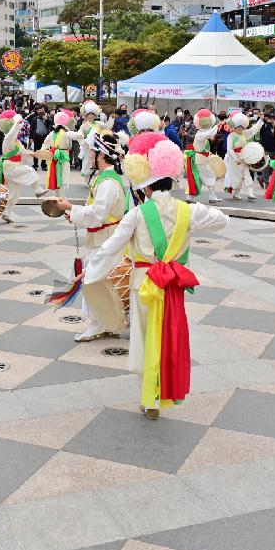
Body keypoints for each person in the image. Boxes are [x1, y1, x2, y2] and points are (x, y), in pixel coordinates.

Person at [82, 132, 228, 419]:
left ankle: (148, 398)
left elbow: (110, 248)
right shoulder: (189, 211)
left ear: (146, 188)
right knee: (169, 337)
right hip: (173, 284)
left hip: (144, 285)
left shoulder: (137, 215)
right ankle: (164, 390)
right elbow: (223, 220)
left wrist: (90, 274)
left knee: (144, 338)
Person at [54, 130, 131, 342]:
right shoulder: (106, 179)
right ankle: (106, 322)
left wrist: (71, 207)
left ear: (101, 155)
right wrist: (75, 214)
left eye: (94, 152)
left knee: (94, 280)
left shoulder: (108, 183)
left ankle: (99, 324)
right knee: (99, 280)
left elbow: (97, 215)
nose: (91, 156)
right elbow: (95, 212)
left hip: (108, 240)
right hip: (105, 237)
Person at [0, 109, 43, 223]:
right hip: (10, 167)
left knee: (12, 192)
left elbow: (23, 151)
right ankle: (37, 190)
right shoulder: (8, 138)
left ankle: (6, 214)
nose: (18, 131)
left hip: (14, 166)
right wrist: (17, 123)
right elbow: (12, 132)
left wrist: (33, 153)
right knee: (29, 170)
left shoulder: (17, 141)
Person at [223, 110, 263, 201]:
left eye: (242, 126)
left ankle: (250, 193)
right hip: (234, 159)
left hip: (244, 157)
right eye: (238, 126)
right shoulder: (231, 136)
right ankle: (236, 193)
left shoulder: (244, 134)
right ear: (234, 127)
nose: (240, 128)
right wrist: (235, 158)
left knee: (247, 175)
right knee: (236, 177)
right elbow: (229, 149)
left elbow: (253, 130)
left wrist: (260, 120)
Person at [185, 109, 221, 204]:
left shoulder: (201, 133)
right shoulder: (200, 135)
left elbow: (209, 134)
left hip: (201, 159)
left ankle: (190, 198)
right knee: (211, 176)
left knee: (198, 179)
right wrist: (217, 126)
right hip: (200, 160)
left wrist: (218, 126)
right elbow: (208, 134)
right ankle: (212, 197)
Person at [40, 109, 75, 192]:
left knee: (54, 176)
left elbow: (44, 145)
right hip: (64, 157)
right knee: (64, 177)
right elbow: (77, 136)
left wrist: (40, 153)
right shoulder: (67, 133)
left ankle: (56, 197)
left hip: (53, 157)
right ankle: (61, 198)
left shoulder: (51, 133)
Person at [78, 101, 105, 179]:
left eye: (93, 114)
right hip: (88, 147)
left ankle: (96, 178)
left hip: (98, 147)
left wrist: (111, 119)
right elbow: (80, 136)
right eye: (89, 114)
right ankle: (87, 178)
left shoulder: (99, 124)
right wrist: (84, 142)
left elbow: (107, 127)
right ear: (86, 115)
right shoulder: (84, 126)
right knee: (87, 162)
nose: (91, 116)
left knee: (98, 162)